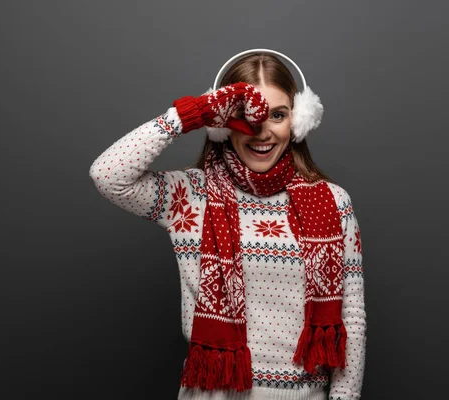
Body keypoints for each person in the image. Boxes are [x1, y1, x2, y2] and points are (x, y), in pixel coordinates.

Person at [89, 49, 366, 400]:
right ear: (221, 125)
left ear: (298, 121)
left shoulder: (333, 203)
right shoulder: (189, 196)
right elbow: (107, 175)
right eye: (244, 116)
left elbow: (351, 320)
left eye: (278, 115)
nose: (262, 132)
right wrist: (189, 115)